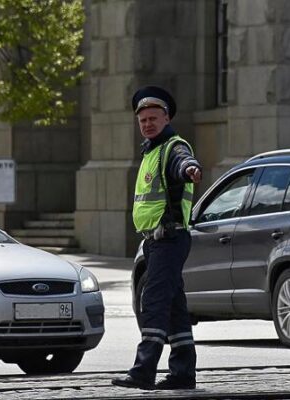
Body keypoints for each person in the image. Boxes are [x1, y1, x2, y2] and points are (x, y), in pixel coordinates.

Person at [111, 86, 202, 390]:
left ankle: (143, 371)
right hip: (155, 242)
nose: (147, 123)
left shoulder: (172, 147)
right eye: (143, 120)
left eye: (153, 118)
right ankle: (183, 373)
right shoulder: (150, 151)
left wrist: (190, 169)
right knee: (174, 307)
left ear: (166, 118)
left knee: (153, 301)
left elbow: (183, 161)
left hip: (170, 238)